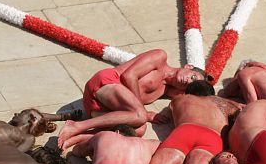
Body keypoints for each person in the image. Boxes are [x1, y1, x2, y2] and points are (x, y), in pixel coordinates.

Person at [57, 49, 211, 149]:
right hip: (106, 83)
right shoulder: (160, 58)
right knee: (140, 116)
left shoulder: (167, 90)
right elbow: (128, 75)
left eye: (191, 83)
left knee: (138, 129)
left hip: (99, 109)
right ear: (188, 66)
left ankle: (80, 137)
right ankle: (76, 126)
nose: (188, 81)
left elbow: (188, 105)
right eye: (192, 76)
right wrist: (144, 111)